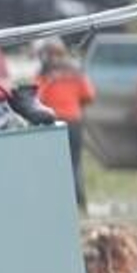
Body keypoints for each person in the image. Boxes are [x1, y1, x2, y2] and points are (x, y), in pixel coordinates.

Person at [35, 38, 97, 209]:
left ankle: (60, 202)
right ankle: (79, 202)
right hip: (74, 122)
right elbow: (89, 95)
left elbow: (37, 99)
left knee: (54, 165)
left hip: (52, 124)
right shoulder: (75, 72)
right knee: (75, 163)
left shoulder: (44, 74)